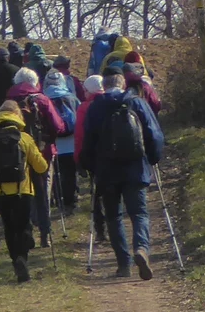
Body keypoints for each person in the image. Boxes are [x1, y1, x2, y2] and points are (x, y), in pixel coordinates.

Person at [79, 72, 167, 280]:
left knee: (114, 216)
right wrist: (153, 158)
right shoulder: (137, 103)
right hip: (135, 167)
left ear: (105, 86)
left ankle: (123, 264)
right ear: (123, 84)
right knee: (139, 213)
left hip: (107, 170)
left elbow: (88, 139)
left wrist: (89, 167)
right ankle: (141, 248)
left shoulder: (96, 107)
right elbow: (154, 134)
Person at [0, 98, 49, 282]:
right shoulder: (24, 138)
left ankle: (16, 261)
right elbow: (41, 167)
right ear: (17, 116)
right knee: (23, 224)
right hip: (22, 190)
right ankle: (23, 258)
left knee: (9, 226)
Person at [11, 67, 66, 246]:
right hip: (43, 152)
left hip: (18, 155)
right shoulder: (42, 100)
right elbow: (58, 126)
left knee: (23, 194)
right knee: (42, 193)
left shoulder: (9, 102)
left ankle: (28, 235)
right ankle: (45, 234)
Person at [44, 61, 82, 211]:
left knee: (56, 174)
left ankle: (58, 200)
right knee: (70, 173)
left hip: (54, 143)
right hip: (71, 142)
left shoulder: (44, 100)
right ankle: (71, 201)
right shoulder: (72, 98)